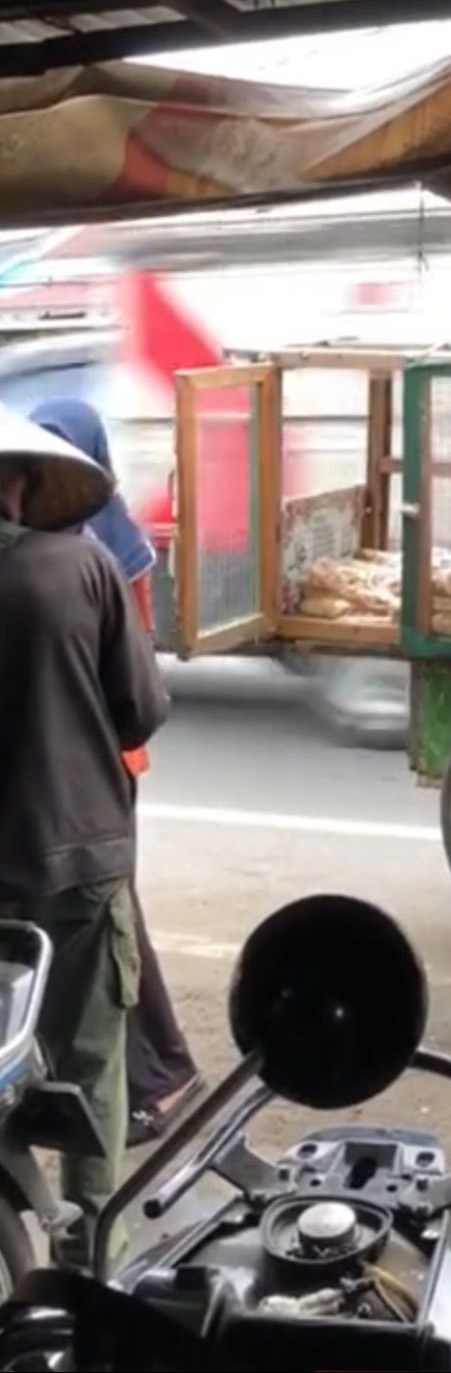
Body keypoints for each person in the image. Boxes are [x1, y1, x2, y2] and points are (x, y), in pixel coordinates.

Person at [0, 405, 169, 1267]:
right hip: (79, 859)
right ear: (24, 482)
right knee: (92, 1059)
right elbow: (142, 708)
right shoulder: (83, 564)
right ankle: (93, 1258)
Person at [31, 399, 203, 1147]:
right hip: (83, 768)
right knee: (106, 929)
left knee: (110, 933)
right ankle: (151, 1073)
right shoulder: (64, 554)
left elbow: (135, 674)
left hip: (102, 766)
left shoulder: (101, 553)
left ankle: (161, 1077)